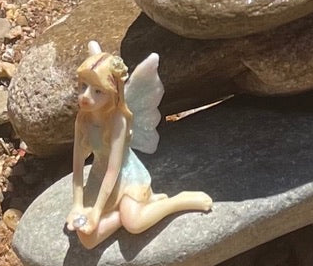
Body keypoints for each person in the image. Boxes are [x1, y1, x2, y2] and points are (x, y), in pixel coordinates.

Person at [66, 43, 212, 248]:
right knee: (87, 238)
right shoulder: (83, 119)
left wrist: (97, 211)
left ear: (112, 92)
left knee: (134, 224)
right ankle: (121, 216)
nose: (86, 96)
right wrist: (77, 206)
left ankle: (175, 202)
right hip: (99, 177)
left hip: (125, 177)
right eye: (83, 86)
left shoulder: (118, 120)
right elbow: (78, 167)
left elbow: (114, 170)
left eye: (97, 91)